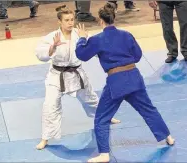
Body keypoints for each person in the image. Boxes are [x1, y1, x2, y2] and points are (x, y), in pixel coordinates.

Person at [75, 3, 175, 162]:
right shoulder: (126, 35)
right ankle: (168, 137)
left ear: (101, 21)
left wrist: (81, 38)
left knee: (101, 118)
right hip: (134, 77)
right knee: (148, 109)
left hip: (116, 82)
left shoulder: (97, 39)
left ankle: (104, 154)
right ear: (113, 18)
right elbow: (137, 56)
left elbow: (82, 55)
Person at [35, 5, 120, 150]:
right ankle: (45, 138)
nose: (70, 23)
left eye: (72, 19)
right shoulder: (52, 37)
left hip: (76, 73)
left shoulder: (79, 34)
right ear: (59, 22)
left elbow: (91, 51)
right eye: (66, 20)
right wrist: (52, 48)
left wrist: (85, 40)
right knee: (50, 105)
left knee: (91, 99)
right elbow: (40, 54)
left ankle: (106, 117)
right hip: (57, 75)